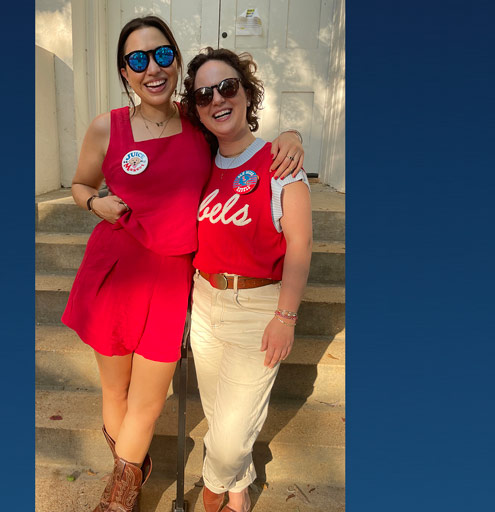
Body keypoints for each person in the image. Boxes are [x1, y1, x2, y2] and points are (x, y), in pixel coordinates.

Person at [60, 16, 305, 512]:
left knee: (147, 405)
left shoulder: (198, 121)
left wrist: (292, 135)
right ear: (125, 72)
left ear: (175, 60)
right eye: (137, 59)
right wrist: (93, 203)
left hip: (173, 281)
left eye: (163, 55)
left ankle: (120, 499)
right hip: (114, 274)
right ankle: (131, 469)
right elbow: (80, 184)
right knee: (117, 391)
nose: (152, 67)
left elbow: (239, 134)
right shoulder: (106, 126)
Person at [180, 48, 313, 512]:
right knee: (219, 415)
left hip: (258, 310)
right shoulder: (200, 164)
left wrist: (287, 317)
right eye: (203, 94)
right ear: (195, 108)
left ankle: (213, 490)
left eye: (228, 86)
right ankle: (239, 492)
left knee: (230, 437)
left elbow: (300, 245)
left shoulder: (278, 162)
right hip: (205, 301)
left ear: (247, 92)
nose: (217, 98)